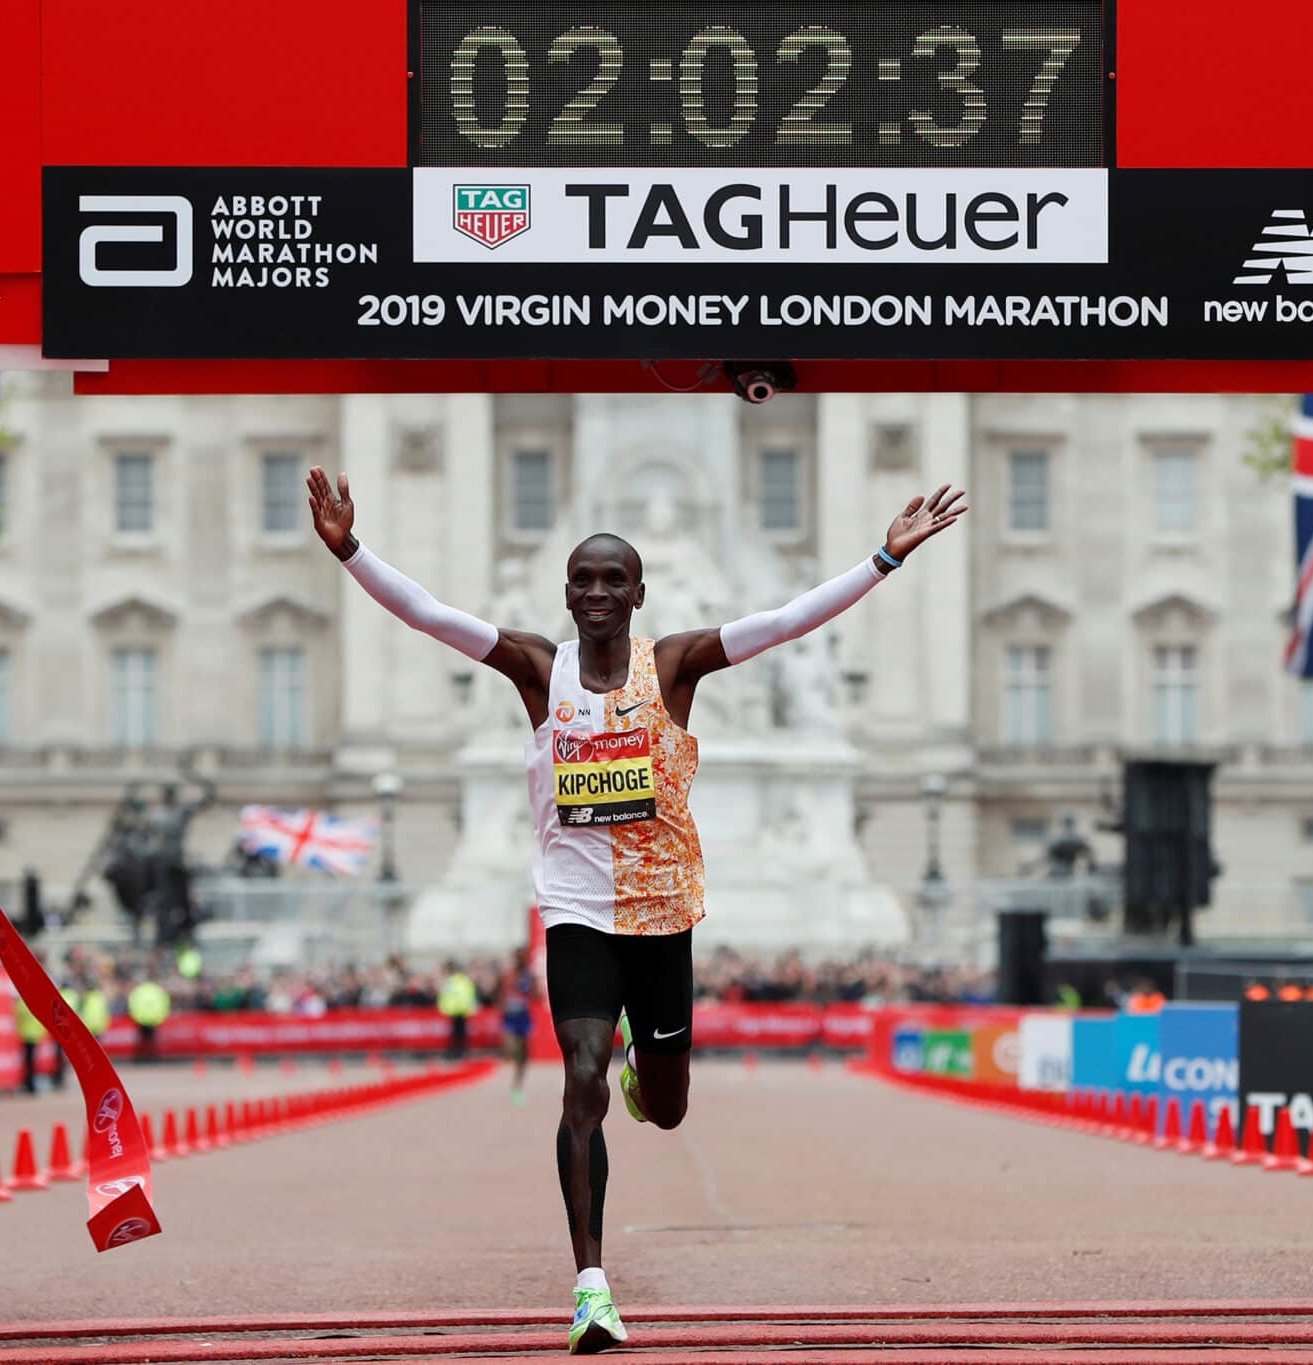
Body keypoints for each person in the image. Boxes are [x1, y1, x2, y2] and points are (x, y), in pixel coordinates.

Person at [308, 464, 964, 1354]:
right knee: (579, 1077)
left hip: (662, 913)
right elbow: (432, 614)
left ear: (641, 593)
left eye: (614, 578)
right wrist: (351, 550)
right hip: (576, 908)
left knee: (667, 1104)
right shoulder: (539, 670)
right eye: (583, 578)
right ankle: (591, 1285)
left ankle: (641, 1072)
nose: (597, 591)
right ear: (567, 593)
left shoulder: (675, 665)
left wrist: (883, 558)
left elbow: (781, 625)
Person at [500, 946, 537, 1105]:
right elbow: (498, 992)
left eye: (524, 956)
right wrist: (502, 1004)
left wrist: (530, 989)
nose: (521, 959)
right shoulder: (508, 974)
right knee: (511, 1049)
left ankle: (518, 1085)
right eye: (519, 956)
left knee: (524, 1055)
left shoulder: (529, 975)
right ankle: (514, 1082)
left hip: (523, 1016)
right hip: (510, 1016)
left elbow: (536, 995)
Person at [438, 960, 478, 1059]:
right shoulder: (465, 981)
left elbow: (445, 995)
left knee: (457, 1032)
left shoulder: (451, 981)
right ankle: (460, 1051)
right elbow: (471, 995)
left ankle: (457, 1051)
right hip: (461, 1010)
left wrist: (444, 1007)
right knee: (460, 1032)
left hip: (455, 1010)